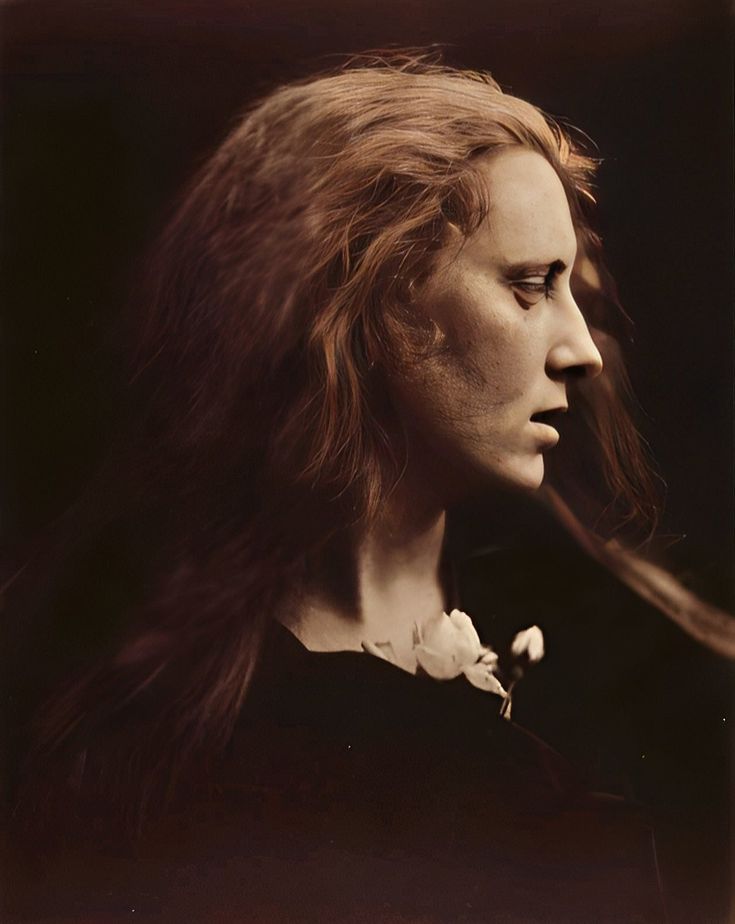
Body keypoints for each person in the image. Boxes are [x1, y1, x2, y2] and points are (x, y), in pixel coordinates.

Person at [4, 52, 731, 922]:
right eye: (529, 287)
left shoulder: (628, 658)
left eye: (572, 289)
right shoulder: (141, 730)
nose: (580, 349)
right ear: (363, 304)